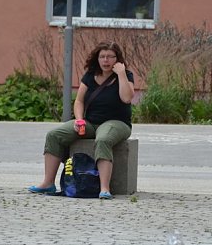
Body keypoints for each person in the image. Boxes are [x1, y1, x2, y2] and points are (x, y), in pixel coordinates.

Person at [28, 41, 135, 200]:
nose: (106, 60)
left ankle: (104, 188)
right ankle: (48, 183)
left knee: (103, 139)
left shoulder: (126, 75)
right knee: (54, 135)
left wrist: (121, 74)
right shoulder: (90, 75)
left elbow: (126, 98)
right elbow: (79, 101)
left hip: (117, 123)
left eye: (110, 57)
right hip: (90, 122)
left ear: (117, 59)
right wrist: (79, 120)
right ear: (97, 58)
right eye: (102, 57)